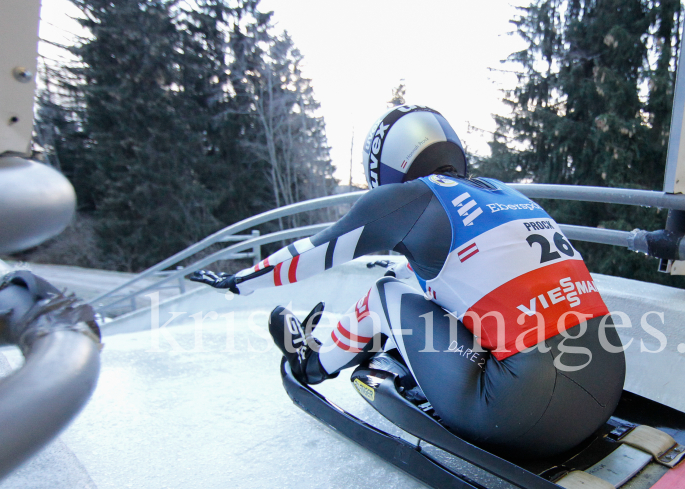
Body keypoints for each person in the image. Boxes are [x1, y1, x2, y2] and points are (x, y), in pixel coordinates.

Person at [191, 105, 625, 459]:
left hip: (523, 410)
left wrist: (238, 281)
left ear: (386, 168)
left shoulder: (411, 197)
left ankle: (314, 364)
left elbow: (316, 252)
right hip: (607, 383)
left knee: (385, 292)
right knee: (407, 279)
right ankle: (335, 335)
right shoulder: (499, 191)